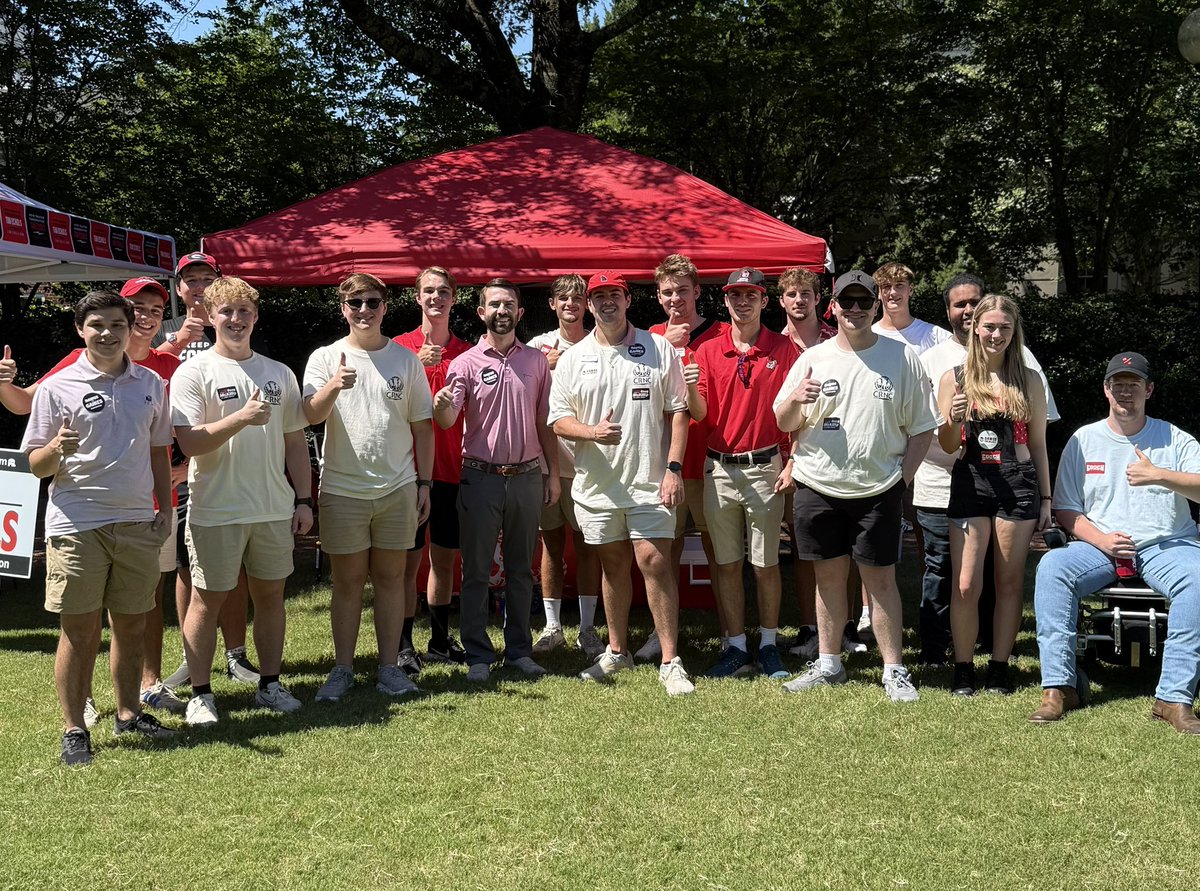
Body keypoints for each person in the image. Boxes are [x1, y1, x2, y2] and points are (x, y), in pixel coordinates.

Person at [2, 278, 189, 719]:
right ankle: (74, 727)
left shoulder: (150, 383)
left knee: (131, 625)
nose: (107, 333)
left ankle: (128, 715)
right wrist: (55, 450)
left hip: (139, 521)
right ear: (80, 330)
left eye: (116, 324)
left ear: (130, 329)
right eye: (97, 325)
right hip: (77, 524)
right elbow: (35, 465)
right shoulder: (56, 387)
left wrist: (164, 509)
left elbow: (159, 450)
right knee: (80, 631)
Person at [774, 270, 935, 702]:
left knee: (881, 582)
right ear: (835, 305)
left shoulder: (902, 358)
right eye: (848, 302)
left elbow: (923, 428)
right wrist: (795, 401)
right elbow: (783, 422)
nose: (857, 310)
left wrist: (902, 479)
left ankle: (894, 671)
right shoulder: (813, 358)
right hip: (816, 484)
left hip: (879, 489)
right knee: (827, 579)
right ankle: (829, 664)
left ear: (875, 306)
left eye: (865, 302)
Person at [1031, 351, 1200, 733]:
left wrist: (1159, 475)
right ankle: (1060, 687)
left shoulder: (1174, 438)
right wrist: (1103, 540)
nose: (1126, 392)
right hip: (1098, 545)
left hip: (1166, 544)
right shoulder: (1084, 440)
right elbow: (1066, 510)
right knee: (1052, 567)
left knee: (1198, 578)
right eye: (1118, 385)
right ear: (1106, 390)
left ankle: (1173, 699)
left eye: (1134, 385)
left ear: (1149, 390)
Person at [170, 276, 313, 726]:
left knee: (271, 597)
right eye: (226, 312)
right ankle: (200, 695)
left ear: (256, 316)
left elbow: (295, 442)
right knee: (206, 601)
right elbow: (190, 443)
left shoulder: (278, 372)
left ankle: (270, 685)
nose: (236, 320)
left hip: (272, 507)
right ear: (211, 317)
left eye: (244, 311)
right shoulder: (194, 372)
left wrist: (305, 499)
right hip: (216, 508)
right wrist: (242, 418)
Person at [548, 271, 695, 696]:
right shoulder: (573, 358)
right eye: (599, 296)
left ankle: (670, 659)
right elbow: (557, 419)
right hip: (597, 487)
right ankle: (617, 650)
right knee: (613, 566)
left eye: (615, 294)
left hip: (651, 481)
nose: (607, 302)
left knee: (654, 562)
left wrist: (673, 467)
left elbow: (679, 411)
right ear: (589, 304)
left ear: (628, 299)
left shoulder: (657, 347)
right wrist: (592, 432)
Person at [914, 274, 1059, 665]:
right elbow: (948, 445)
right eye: (989, 327)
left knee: (1009, 583)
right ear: (975, 328)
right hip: (970, 482)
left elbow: (1040, 444)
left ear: (1014, 331)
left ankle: (998, 667)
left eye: (1004, 328)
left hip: (1018, 483)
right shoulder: (954, 378)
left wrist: (1047, 498)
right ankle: (963, 669)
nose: (996, 335)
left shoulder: (1028, 379)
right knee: (964, 584)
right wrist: (952, 419)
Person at [303, 273, 435, 701]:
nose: (364, 310)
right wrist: (332, 387)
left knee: (393, 579)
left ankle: (388, 668)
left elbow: (423, 427)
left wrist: (425, 483)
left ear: (385, 306)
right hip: (342, 489)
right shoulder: (325, 358)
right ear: (343, 308)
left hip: (398, 487)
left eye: (372, 302)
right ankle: (342, 669)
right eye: (355, 302)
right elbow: (310, 417)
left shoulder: (405, 360)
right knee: (347, 582)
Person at [433, 279, 559, 681]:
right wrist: (439, 408)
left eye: (509, 304)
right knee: (475, 572)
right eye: (494, 304)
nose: (502, 310)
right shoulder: (465, 363)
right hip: (479, 477)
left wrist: (552, 473)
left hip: (525, 476)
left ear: (520, 314)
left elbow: (544, 422)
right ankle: (478, 656)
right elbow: (448, 418)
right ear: (481, 313)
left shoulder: (536, 362)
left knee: (522, 570)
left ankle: (519, 651)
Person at [154, 251, 260, 692]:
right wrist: (175, 340)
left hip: (221, 469)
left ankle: (236, 654)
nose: (197, 287)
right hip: (171, 468)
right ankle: (190, 656)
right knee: (186, 569)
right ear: (179, 288)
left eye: (205, 279)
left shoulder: (235, 325)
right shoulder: (157, 328)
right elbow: (150, 387)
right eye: (189, 280)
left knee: (231, 570)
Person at [689, 267, 797, 680]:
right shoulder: (708, 351)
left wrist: (791, 461)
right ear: (726, 301)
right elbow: (700, 415)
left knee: (766, 563)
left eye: (751, 294)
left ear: (764, 301)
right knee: (728, 563)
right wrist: (687, 390)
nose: (743, 302)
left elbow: (798, 416)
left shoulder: (784, 349)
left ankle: (768, 644)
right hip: (718, 468)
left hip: (765, 466)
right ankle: (736, 646)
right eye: (736, 295)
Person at [643, 253, 728, 661]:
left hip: (712, 461)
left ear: (697, 291)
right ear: (658, 297)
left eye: (682, 290)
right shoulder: (647, 338)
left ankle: (733, 636)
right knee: (664, 556)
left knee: (721, 553)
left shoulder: (724, 334)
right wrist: (664, 348)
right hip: (665, 464)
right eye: (667, 292)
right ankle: (660, 637)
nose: (675, 298)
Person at [774, 267, 856, 661]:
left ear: (819, 298)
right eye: (791, 294)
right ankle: (811, 627)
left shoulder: (837, 338)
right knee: (806, 548)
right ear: (782, 301)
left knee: (849, 550)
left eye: (806, 293)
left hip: (837, 458)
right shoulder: (773, 344)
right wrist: (787, 460)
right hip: (784, 459)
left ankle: (849, 626)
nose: (799, 300)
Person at [394, 267, 471, 672]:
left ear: (454, 298)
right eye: (429, 291)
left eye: (443, 291)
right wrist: (413, 363)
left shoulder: (469, 352)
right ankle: (404, 645)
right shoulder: (397, 349)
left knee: (444, 560)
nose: (436, 297)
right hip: (408, 472)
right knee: (408, 563)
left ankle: (440, 640)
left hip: (453, 473)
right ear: (417, 297)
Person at [526, 274, 604, 659]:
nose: (571, 303)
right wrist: (542, 367)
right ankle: (553, 626)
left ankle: (588, 628)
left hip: (590, 466)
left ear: (586, 304)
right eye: (563, 298)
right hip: (544, 464)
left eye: (578, 297)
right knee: (551, 545)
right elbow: (515, 398)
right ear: (552, 305)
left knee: (588, 546)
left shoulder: (600, 343)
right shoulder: (536, 347)